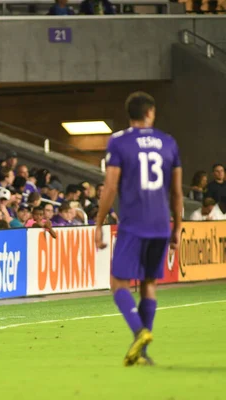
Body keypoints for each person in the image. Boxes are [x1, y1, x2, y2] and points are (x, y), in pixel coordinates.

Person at [95, 92, 183, 367]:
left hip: (134, 222)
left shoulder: (120, 141)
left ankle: (139, 331)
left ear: (129, 114)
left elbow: (110, 186)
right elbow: (177, 192)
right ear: (151, 113)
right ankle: (142, 354)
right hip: (160, 223)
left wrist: (98, 223)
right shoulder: (169, 142)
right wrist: (177, 228)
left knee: (118, 283)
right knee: (149, 283)